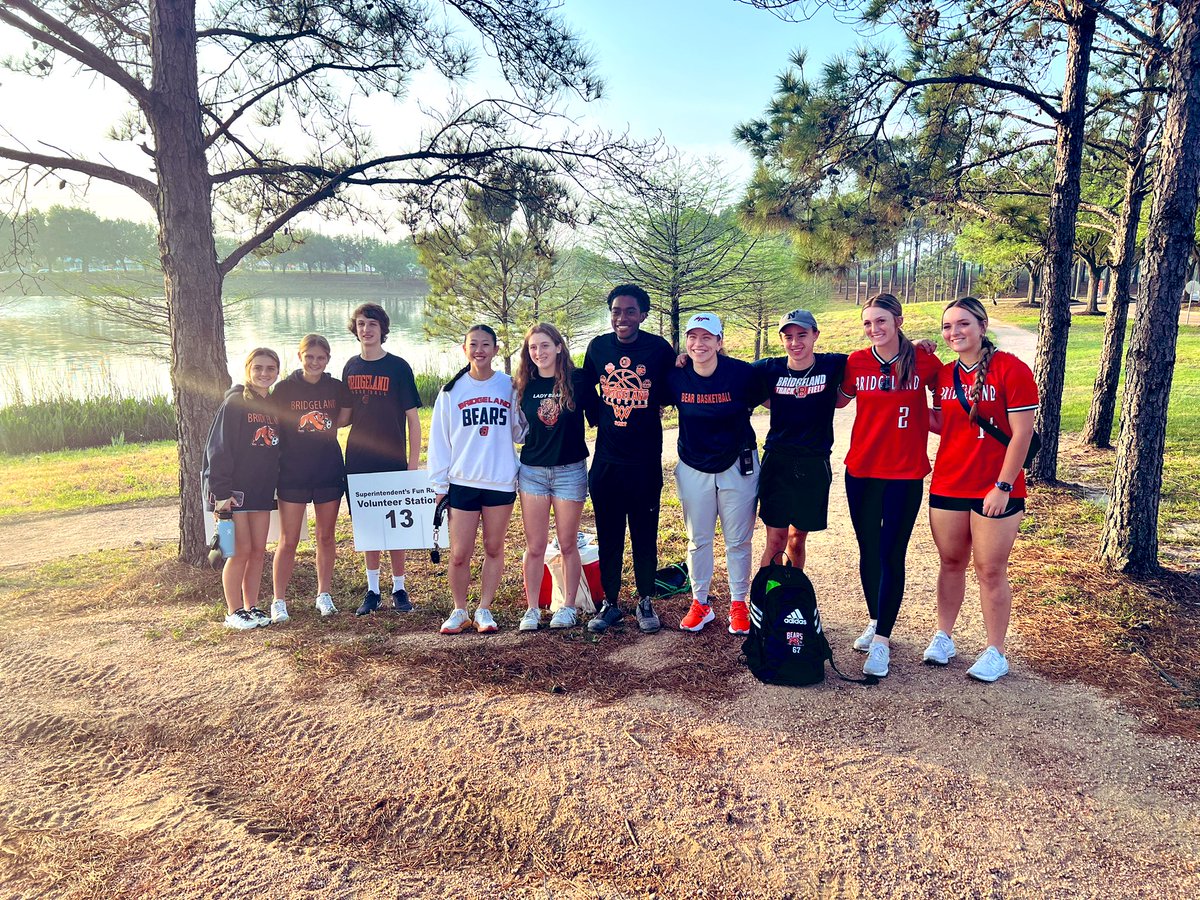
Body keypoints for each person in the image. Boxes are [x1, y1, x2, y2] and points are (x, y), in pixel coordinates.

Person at [925, 296, 1038, 683]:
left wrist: (1003, 486)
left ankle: (995, 651)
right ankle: (944, 636)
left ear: (982, 327)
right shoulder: (943, 375)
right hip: (949, 482)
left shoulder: (1011, 369)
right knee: (951, 563)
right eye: (947, 326)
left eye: (963, 324)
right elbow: (947, 423)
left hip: (996, 487)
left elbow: (1022, 434)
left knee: (990, 569)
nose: (954, 332)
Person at [837, 294, 942, 677]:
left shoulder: (924, 360)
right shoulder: (856, 361)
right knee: (867, 549)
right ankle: (876, 617)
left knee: (891, 551)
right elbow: (837, 401)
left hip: (905, 472)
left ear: (898, 320)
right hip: (861, 470)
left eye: (881, 321)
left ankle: (882, 641)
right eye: (868, 323)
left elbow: (945, 407)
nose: (874, 329)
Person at [580, 284, 677, 634]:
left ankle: (645, 600)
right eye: (617, 311)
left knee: (644, 532)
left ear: (643, 314)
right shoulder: (597, 347)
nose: (622, 317)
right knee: (608, 533)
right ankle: (610, 603)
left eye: (630, 311)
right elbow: (583, 383)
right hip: (606, 460)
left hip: (645, 459)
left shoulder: (658, 349)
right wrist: (597, 416)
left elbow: (673, 388)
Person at [668, 313, 766, 634]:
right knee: (698, 539)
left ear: (719, 342)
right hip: (693, 463)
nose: (699, 344)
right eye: (693, 337)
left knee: (738, 539)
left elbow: (778, 384)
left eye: (707, 337)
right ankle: (701, 603)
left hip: (738, 463)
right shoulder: (677, 375)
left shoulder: (741, 374)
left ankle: (739, 604)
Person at [428, 324, 520, 635]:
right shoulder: (451, 391)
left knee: (494, 547)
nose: (479, 350)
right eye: (473, 344)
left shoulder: (510, 386)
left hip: (500, 481)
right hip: (463, 482)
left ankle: (484, 609)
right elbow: (439, 442)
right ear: (464, 349)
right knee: (459, 552)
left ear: (496, 349)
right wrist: (440, 487)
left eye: (486, 344)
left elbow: (521, 431)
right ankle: (459, 610)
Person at [513, 323, 594, 632]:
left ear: (559, 347)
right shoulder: (523, 383)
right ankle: (533, 608)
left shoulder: (577, 381)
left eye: (545, 346)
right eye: (533, 347)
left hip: (569, 471)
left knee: (567, 543)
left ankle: (568, 607)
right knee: (535, 546)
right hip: (532, 471)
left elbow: (602, 411)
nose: (539, 352)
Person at [342, 303, 422, 616]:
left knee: (394, 525)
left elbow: (414, 421)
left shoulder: (398, 367)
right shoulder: (350, 366)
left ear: (382, 329)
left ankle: (399, 587)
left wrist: (412, 466)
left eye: (372, 324)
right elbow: (345, 417)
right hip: (358, 459)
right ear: (356, 329)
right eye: (361, 324)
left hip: (392, 457)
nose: (366, 329)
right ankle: (373, 590)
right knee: (368, 526)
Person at [752, 309, 847, 570]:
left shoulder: (834, 364)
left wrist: (914, 346)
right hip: (777, 461)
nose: (795, 343)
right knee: (775, 540)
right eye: (788, 337)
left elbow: (874, 359)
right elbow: (727, 370)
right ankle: (766, 600)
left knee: (796, 539)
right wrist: (684, 358)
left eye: (802, 335)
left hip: (814, 462)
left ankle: (791, 598)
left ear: (815, 335)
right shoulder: (768, 369)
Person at [268, 334, 353, 622]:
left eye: (321, 357)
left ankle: (324, 594)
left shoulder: (337, 387)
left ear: (328, 359)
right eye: (310, 357)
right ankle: (279, 599)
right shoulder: (283, 389)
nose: (315, 362)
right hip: (292, 472)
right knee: (288, 539)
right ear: (300, 357)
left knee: (326, 536)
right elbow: (275, 425)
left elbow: (343, 419)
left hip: (328, 469)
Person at [202, 348, 282, 630]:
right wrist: (221, 494)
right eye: (258, 367)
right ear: (248, 369)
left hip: (261, 491)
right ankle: (233, 611)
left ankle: (252, 607)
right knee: (239, 551)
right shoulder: (235, 403)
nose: (264, 373)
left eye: (270, 368)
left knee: (259, 551)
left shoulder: (273, 405)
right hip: (233, 495)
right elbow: (218, 450)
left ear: (277, 372)